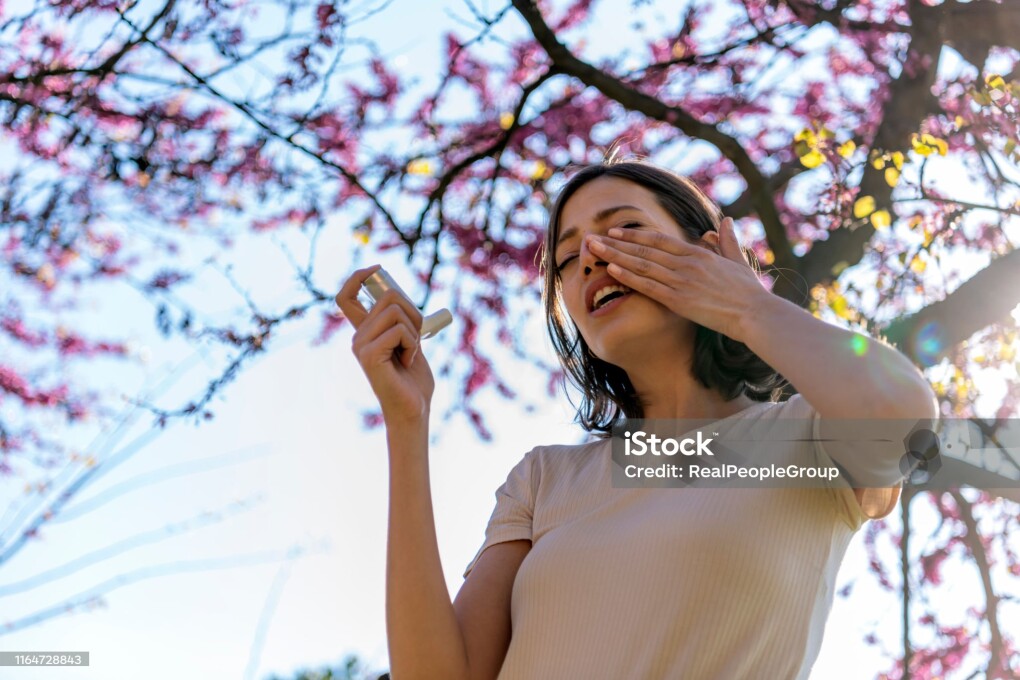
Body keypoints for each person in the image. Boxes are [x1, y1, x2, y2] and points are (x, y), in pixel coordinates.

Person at [336, 160, 939, 680]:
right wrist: (408, 422)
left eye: (625, 230)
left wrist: (745, 304)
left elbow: (904, 423)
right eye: (567, 258)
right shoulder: (544, 479)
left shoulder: (806, 439)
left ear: (709, 253)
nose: (591, 257)